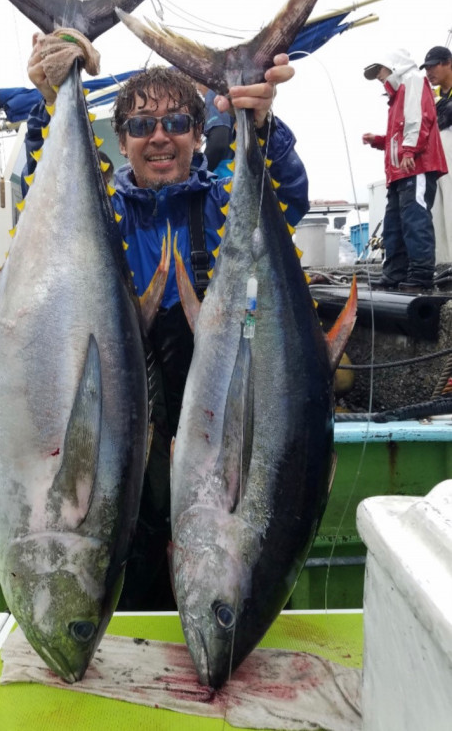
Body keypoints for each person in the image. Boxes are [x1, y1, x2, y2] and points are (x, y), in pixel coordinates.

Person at [24, 32, 309, 609]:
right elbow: (39, 209)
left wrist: (265, 125)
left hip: (212, 404)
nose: (159, 136)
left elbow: (292, 199)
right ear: (120, 140)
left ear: (198, 136)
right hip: (125, 410)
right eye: (140, 125)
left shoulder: (226, 198)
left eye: (177, 122)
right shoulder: (98, 206)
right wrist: (50, 101)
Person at [362, 49, 447, 292]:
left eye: (380, 69)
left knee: (414, 220)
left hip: (415, 166)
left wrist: (409, 150)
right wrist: (379, 140)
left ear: (393, 66)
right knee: (395, 224)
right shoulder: (399, 94)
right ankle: (395, 273)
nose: (378, 75)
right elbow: (403, 129)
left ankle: (420, 274)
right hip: (401, 171)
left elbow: (420, 118)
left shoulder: (412, 82)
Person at [421, 46, 452, 262]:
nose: (429, 72)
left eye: (433, 66)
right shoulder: (433, 98)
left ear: (448, 62)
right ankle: (444, 265)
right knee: (437, 215)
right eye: (427, 68)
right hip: (437, 159)